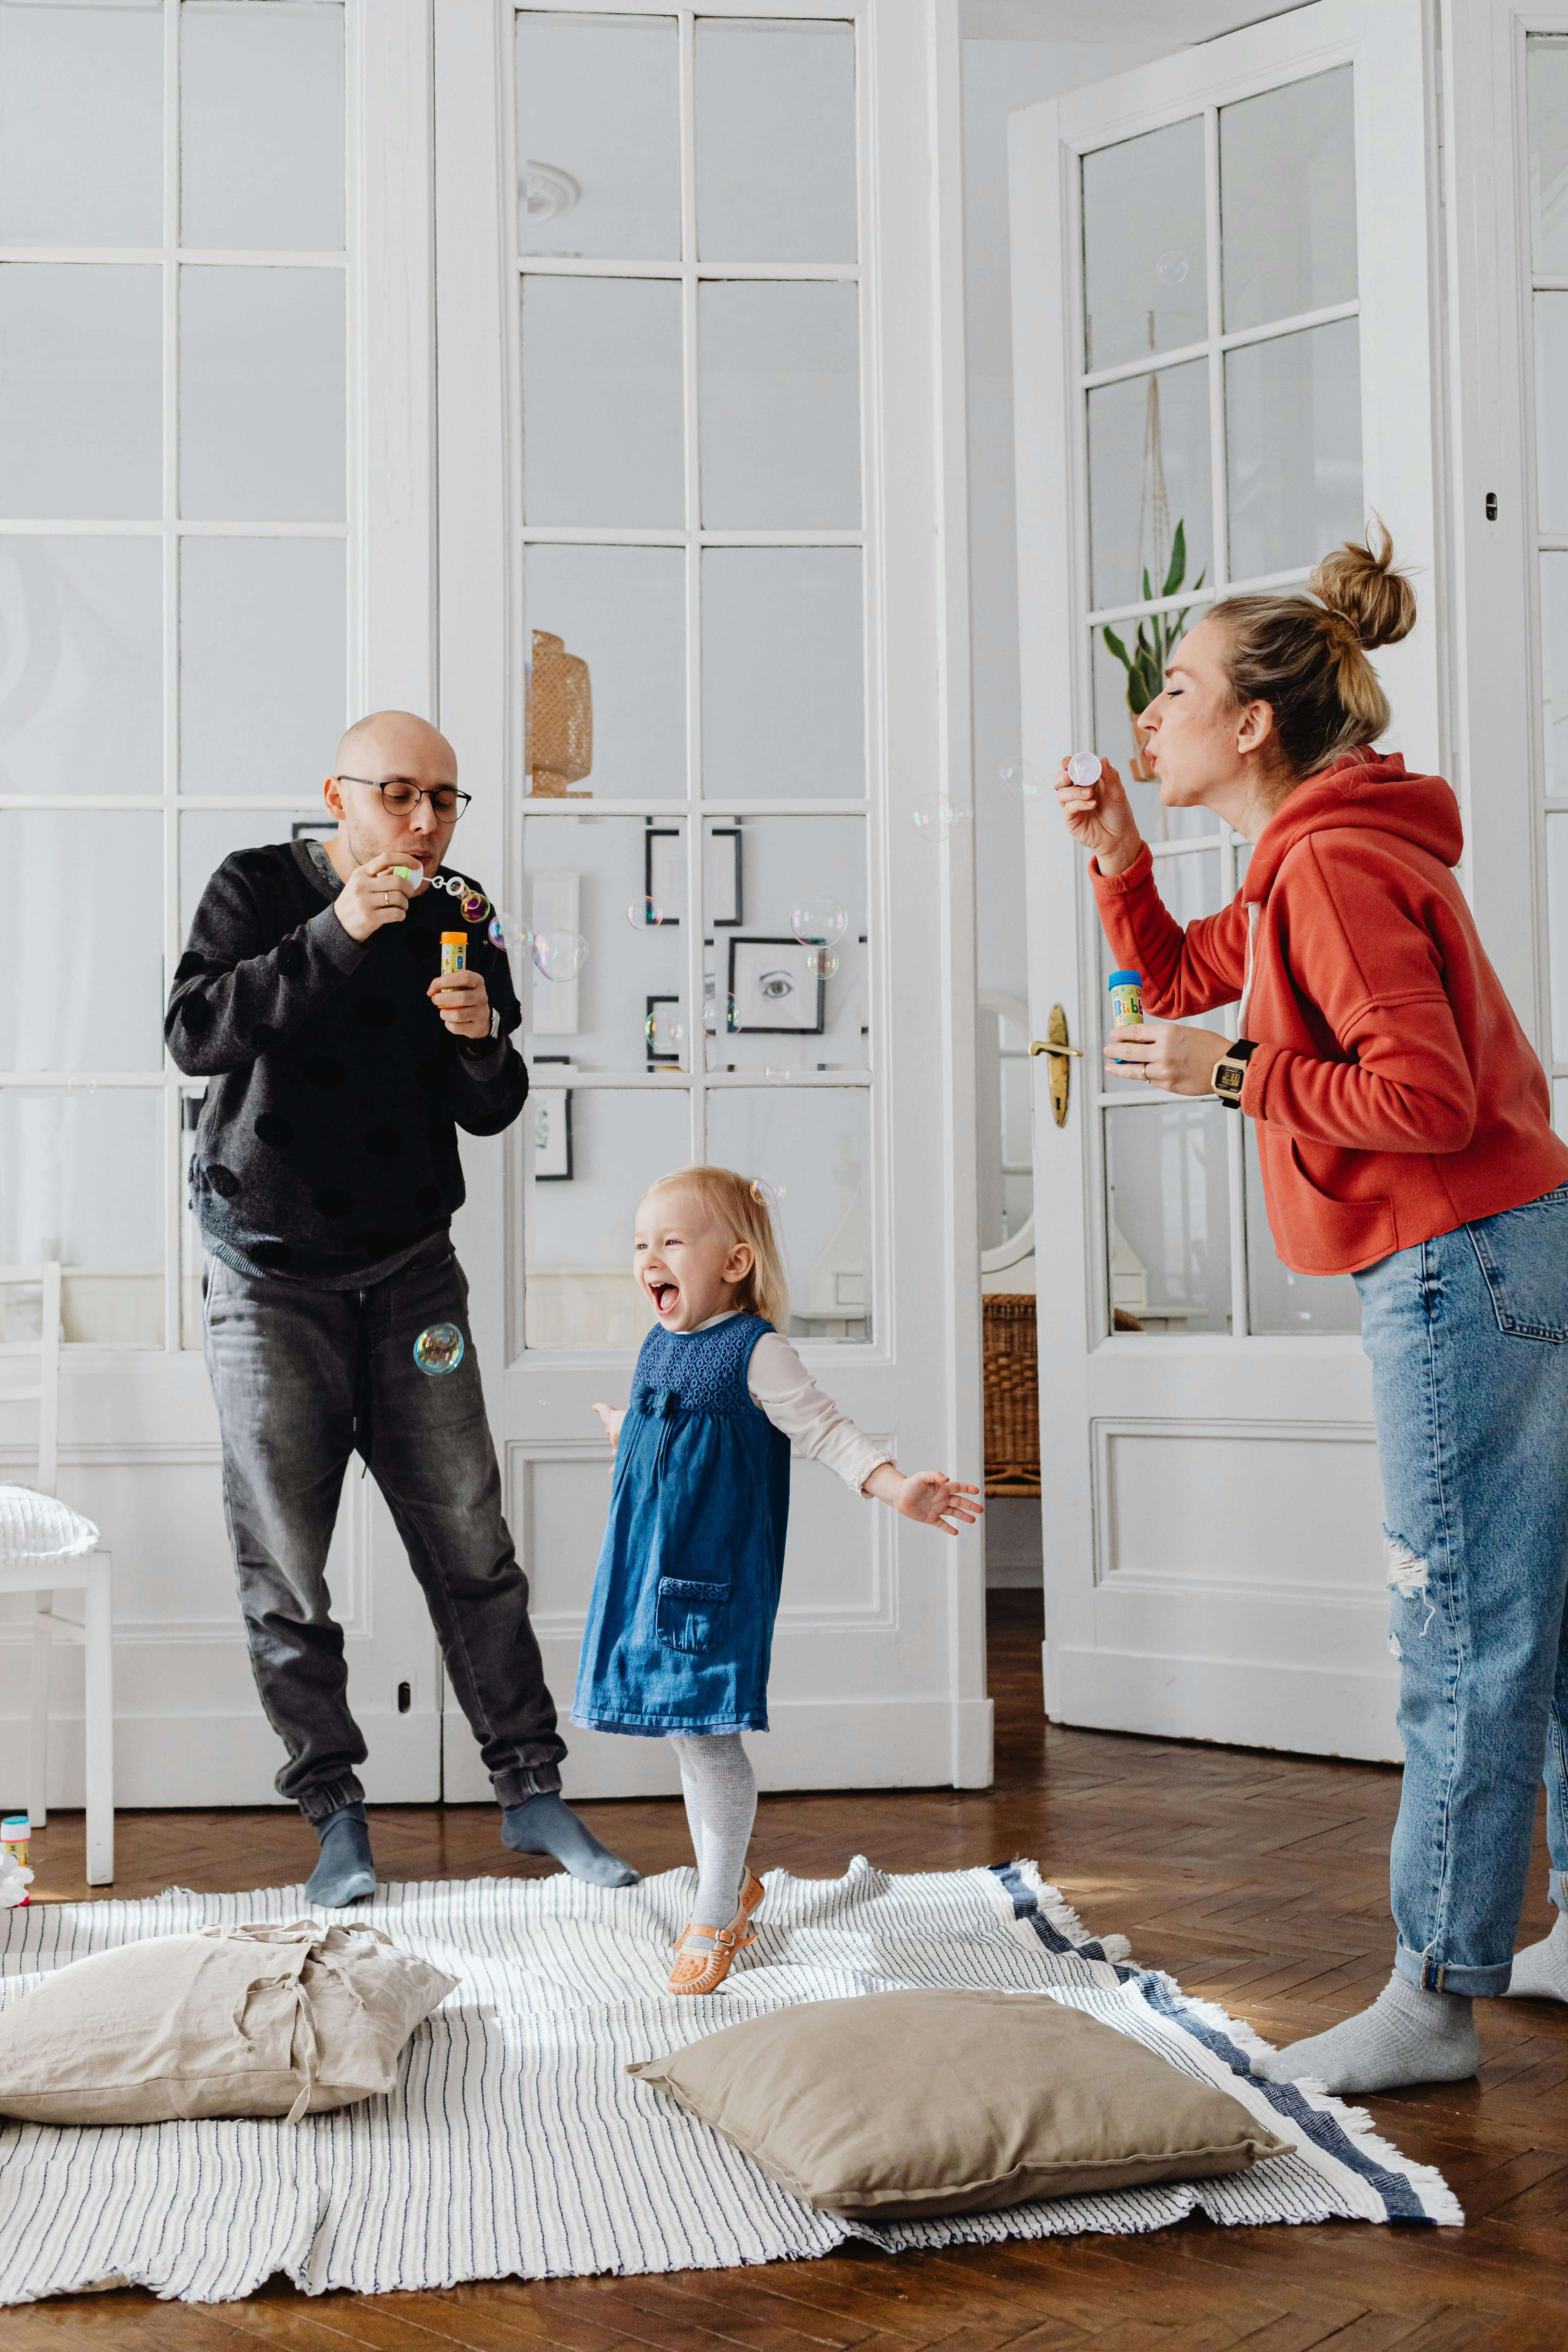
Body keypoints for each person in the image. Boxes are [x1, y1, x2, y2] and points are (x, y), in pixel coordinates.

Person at [1054, 526, 1568, 2095]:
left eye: (1181, 692)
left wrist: (1232, 1081)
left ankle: (1429, 1995)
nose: (1155, 716)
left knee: (1463, 1626)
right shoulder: (1323, 853)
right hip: (1506, 1242)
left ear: (1254, 725)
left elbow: (1418, 1093)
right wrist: (1121, 852)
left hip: (1453, 1258)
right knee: (1538, 1610)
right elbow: (1191, 972)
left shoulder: (1332, 864)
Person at [166, 709, 635, 1906]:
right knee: (286, 1563)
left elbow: (491, 1104)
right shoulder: (258, 888)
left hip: (410, 1271)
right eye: (398, 795)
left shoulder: (457, 908)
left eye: (443, 799)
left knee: (471, 1541)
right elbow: (194, 1032)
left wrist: (481, 1045)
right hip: (266, 1279)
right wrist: (334, 932)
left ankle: (531, 1793)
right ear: (339, 793)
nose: (421, 823)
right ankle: (334, 1815)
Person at [577, 1166, 982, 1993]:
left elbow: (826, 1431)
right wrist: (629, 1430)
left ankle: (718, 1906)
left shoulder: (755, 1351)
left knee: (711, 1733)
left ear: (731, 1263)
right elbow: (670, 1435)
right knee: (688, 1737)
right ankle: (724, 1884)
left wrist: (896, 1484)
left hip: (711, 1576)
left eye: (671, 1242)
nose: (650, 1257)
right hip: (647, 1571)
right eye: (640, 1245)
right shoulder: (659, 1342)